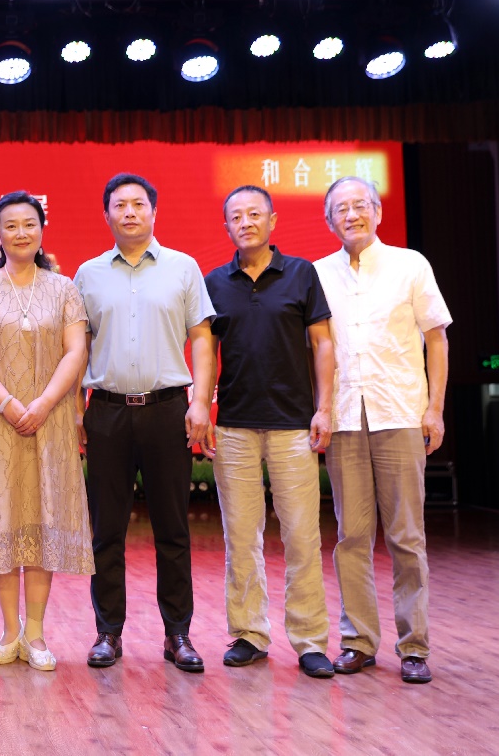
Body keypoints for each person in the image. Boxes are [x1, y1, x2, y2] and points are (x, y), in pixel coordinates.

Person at [73, 172, 215, 673]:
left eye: (138, 204)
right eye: (119, 205)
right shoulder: (88, 274)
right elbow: (77, 348)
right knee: (106, 532)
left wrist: (201, 402)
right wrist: (76, 409)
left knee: (172, 530)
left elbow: (202, 338)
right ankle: (107, 632)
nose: (129, 212)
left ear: (154, 211)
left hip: (167, 410)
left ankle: (178, 634)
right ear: (106, 214)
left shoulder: (183, 267)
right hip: (107, 411)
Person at [314, 176, 451, 685]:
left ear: (377, 211)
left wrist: (434, 409)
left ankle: (414, 646)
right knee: (351, 536)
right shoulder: (318, 273)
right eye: (341, 209)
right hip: (345, 418)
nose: (351, 215)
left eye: (360, 205)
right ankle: (357, 641)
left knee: (406, 537)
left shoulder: (410, 264)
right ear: (329, 220)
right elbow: (315, 348)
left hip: (399, 414)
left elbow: (436, 339)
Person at [0, 192, 94, 672]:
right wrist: (9, 403)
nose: (21, 233)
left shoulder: (64, 288)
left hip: (49, 422)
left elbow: (75, 350)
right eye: (10, 225)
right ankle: (9, 630)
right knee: (4, 517)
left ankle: (35, 632)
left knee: (41, 516)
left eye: (29, 224)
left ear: (41, 230)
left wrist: (44, 403)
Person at [203, 185, 336, 678]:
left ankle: (309, 640)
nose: (246, 222)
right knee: (241, 537)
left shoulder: (301, 273)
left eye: (254, 214)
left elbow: (322, 344)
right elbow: (205, 352)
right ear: (227, 226)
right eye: (236, 216)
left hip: (293, 425)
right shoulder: (215, 282)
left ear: (273, 220)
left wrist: (324, 408)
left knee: (302, 537)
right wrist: (202, 408)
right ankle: (249, 634)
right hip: (234, 426)